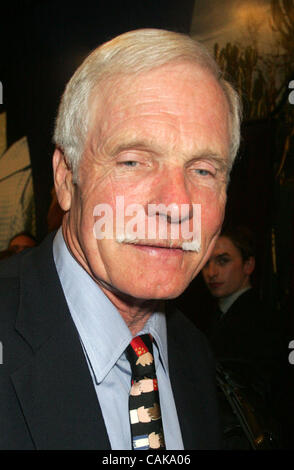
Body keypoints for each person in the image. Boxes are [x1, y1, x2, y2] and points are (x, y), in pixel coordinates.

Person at [0, 29, 241, 450]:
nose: (177, 204)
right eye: (133, 161)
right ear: (66, 179)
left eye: (203, 170)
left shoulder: (194, 352)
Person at [202, 225, 287, 448]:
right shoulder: (213, 318)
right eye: (206, 262)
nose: (212, 272)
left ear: (248, 265)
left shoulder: (263, 321)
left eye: (223, 261)